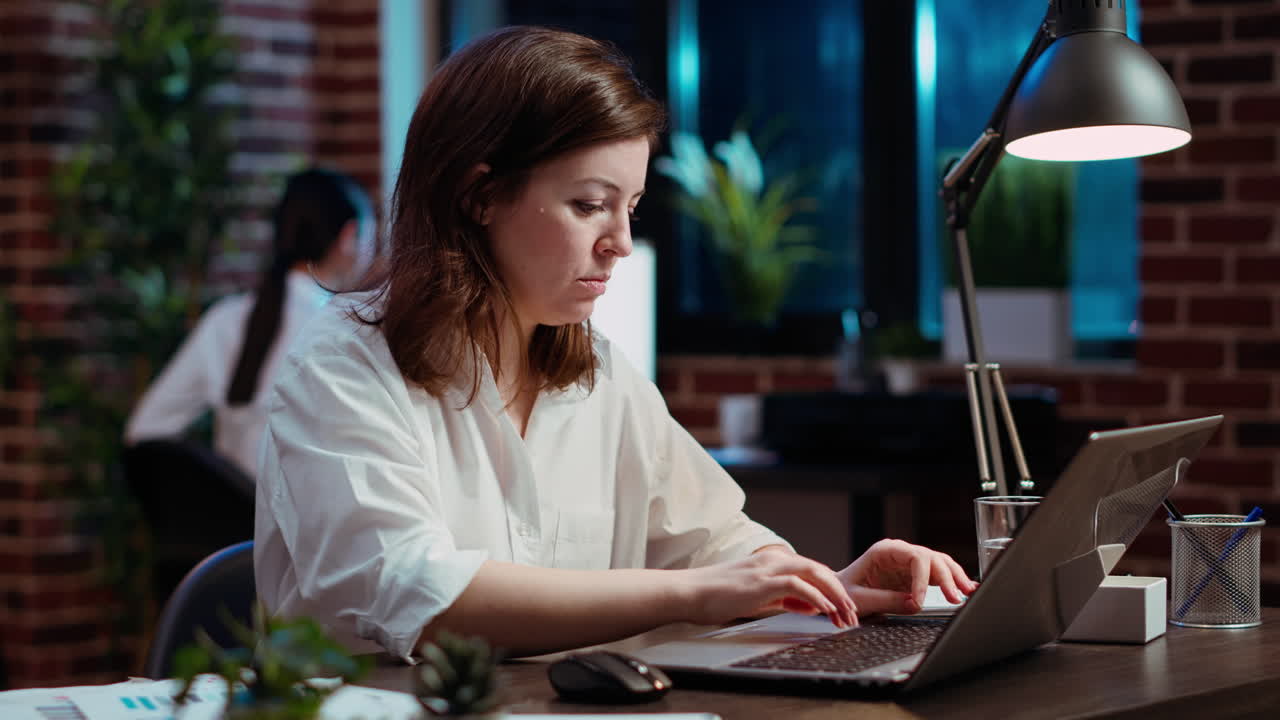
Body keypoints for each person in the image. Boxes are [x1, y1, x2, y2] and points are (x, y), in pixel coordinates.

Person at [254, 26, 976, 662]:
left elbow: (716, 541)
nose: (621, 243)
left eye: (629, 208)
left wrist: (825, 585)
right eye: (588, 205)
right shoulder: (345, 364)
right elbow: (421, 596)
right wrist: (693, 594)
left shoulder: (597, 372)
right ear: (478, 196)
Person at [125, 168, 375, 478]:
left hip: (235, 523)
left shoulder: (225, 319)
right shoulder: (345, 331)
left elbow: (145, 430)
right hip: (313, 525)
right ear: (349, 236)